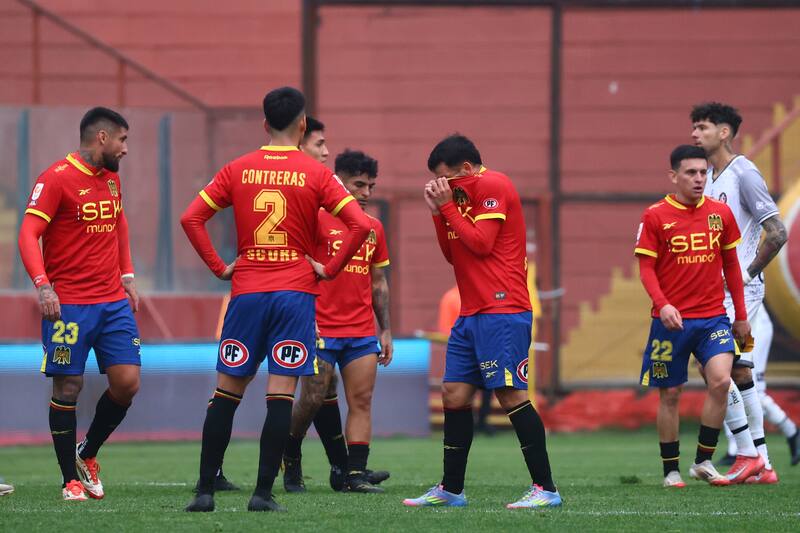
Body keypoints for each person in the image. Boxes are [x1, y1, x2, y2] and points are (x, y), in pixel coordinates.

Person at [181, 87, 370, 513]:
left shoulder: (238, 168)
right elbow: (359, 225)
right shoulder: (317, 174)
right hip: (294, 293)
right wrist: (330, 268)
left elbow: (191, 217)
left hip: (247, 291)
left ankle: (204, 492)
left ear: (264, 124)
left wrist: (219, 266)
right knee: (280, 395)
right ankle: (263, 495)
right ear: (303, 125)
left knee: (226, 393)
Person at [403, 134, 561, 509]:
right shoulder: (459, 198)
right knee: (454, 395)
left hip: (503, 310)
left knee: (510, 395)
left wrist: (449, 209)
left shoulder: (493, 184)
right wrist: (438, 214)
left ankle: (546, 489)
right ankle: (451, 490)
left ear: (468, 169)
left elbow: (481, 244)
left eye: (449, 180)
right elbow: (453, 255)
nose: (446, 188)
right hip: (472, 313)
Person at [17, 107, 141, 502]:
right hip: (68, 305)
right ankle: (69, 479)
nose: (125, 149)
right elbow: (27, 233)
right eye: (122, 140)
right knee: (68, 385)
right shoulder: (56, 179)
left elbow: (119, 222)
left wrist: (127, 275)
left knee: (127, 383)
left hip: (112, 303)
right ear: (101, 138)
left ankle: (87, 453)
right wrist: (43, 287)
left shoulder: (111, 181)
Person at [635, 144, 754, 488]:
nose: (699, 179)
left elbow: (732, 265)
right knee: (670, 394)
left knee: (720, 380)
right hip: (668, 322)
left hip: (713, 319)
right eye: (691, 173)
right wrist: (663, 303)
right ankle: (670, 469)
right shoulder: (655, 216)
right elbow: (646, 270)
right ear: (674, 176)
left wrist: (741, 316)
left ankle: (703, 460)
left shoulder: (721, 214)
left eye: (704, 172)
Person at [691, 102, 796, 479]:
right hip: (716, 292)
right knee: (736, 372)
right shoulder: (710, 178)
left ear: (724, 132)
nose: (694, 134)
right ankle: (762, 463)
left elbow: (777, 233)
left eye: (702, 127)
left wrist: (747, 277)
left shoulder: (744, 173)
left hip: (740, 294)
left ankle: (748, 455)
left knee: (712, 368)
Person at [284, 149, 393, 494]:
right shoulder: (315, 219)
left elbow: (378, 282)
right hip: (320, 327)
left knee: (361, 400)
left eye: (371, 186)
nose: (366, 193)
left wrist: (386, 328)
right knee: (313, 397)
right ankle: (291, 449)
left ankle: (354, 475)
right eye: (358, 185)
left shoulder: (373, 228)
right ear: (338, 183)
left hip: (360, 331)